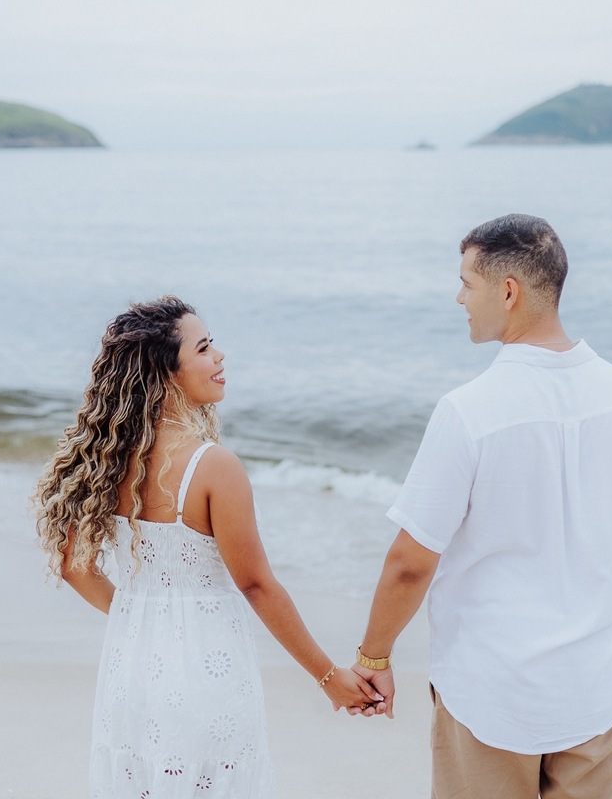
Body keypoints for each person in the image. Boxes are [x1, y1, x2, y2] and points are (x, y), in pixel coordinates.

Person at [351, 214, 612, 798]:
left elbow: (411, 561)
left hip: (490, 686)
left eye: (467, 283)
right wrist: (611, 644)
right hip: (600, 682)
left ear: (508, 291)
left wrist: (372, 657)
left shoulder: (468, 411)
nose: (459, 298)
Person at [35, 296, 382, 798]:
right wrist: (328, 677)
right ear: (167, 371)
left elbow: (73, 567)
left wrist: (139, 618)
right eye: (203, 348)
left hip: (130, 667)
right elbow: (257, 585)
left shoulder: (107, 459)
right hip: (206, 673)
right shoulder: (213, 466)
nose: (220, 357)